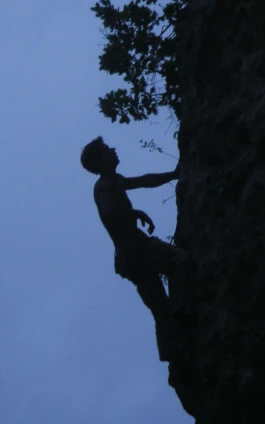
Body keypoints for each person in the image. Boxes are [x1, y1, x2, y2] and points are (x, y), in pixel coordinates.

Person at [80, 136, 192, 361]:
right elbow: (111, 212)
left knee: (160, 310)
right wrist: (136, 213)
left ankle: (172, 356)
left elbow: (144, 180)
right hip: (134, 246)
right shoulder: (104, 185)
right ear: (99, 160)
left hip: (126, 258)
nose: (113, 149)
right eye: (107, 149)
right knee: (180, 262)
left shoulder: (113, 180)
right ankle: (182, 315)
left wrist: (172, 174)